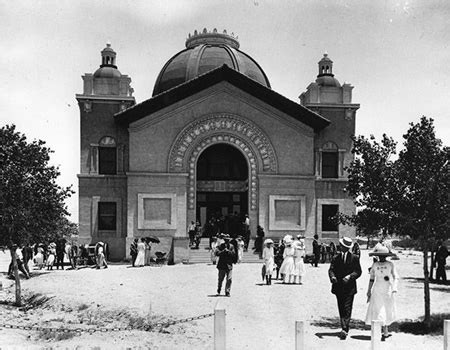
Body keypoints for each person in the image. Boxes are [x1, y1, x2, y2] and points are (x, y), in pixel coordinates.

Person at [328, 237, 362, 340]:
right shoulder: (335, 258)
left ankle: (345, 329)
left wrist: (350, 276)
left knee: (347, 307)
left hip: (350, 287)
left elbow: (358, 271)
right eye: (342, 246)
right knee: (341, 306)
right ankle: (344, 325)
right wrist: (332, 277)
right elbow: (331, 270)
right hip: (338, 286)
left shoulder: (354, 258)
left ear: (347, 248)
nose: (342, 248)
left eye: (344, 247)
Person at [365, 243, 398, 341]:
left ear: (386, 256)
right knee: (377, 309)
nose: (381, 258)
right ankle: (379, 331)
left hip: (387, 289)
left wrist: (394, 288)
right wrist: (368, 290)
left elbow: (396, 277)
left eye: (383, 256)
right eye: (380, 256)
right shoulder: (375, 265)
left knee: (386, 308)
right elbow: (371, 278)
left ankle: (385, 330)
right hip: (377, 289)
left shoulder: (390, 264)